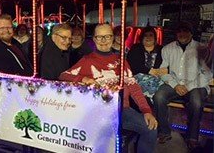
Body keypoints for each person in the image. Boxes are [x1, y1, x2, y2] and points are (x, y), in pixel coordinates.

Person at [59, 24, 157, 153]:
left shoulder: (121, 61)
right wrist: (83, 79)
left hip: (122, 111)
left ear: (113, 38)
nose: (104, 41)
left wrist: (146, 111)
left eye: (107, 36)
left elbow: (134, 88)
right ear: (94, 39)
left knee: (151, 129)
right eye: (100, 37)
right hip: (98, 112)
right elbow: (63, 75)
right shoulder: (87, 60)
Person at [153, 21, 212, 149]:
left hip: (196, 85)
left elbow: (207, 74)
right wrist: (175, 85)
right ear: (176, 33)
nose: (182, 34)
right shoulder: (167, 49)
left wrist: (189, 87)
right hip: (175, 84)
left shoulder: (202, 49)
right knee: (159, 96)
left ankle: (192, 137)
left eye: (185, 31)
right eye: (179, 31)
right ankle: (164, 132)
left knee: (196, 101)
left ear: (191, 33)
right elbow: (163, 70)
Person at [127, 26, 165, 98]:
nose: (148, 38)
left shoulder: (161, 49)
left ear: (155, 38)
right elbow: (133, 66)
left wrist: (158, 72)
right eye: (145, 35)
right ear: (141, 38)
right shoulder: (135, 48)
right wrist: (150, 71)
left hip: (157, 78)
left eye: (151, 35)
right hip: (138, 78)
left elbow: (165, 67)